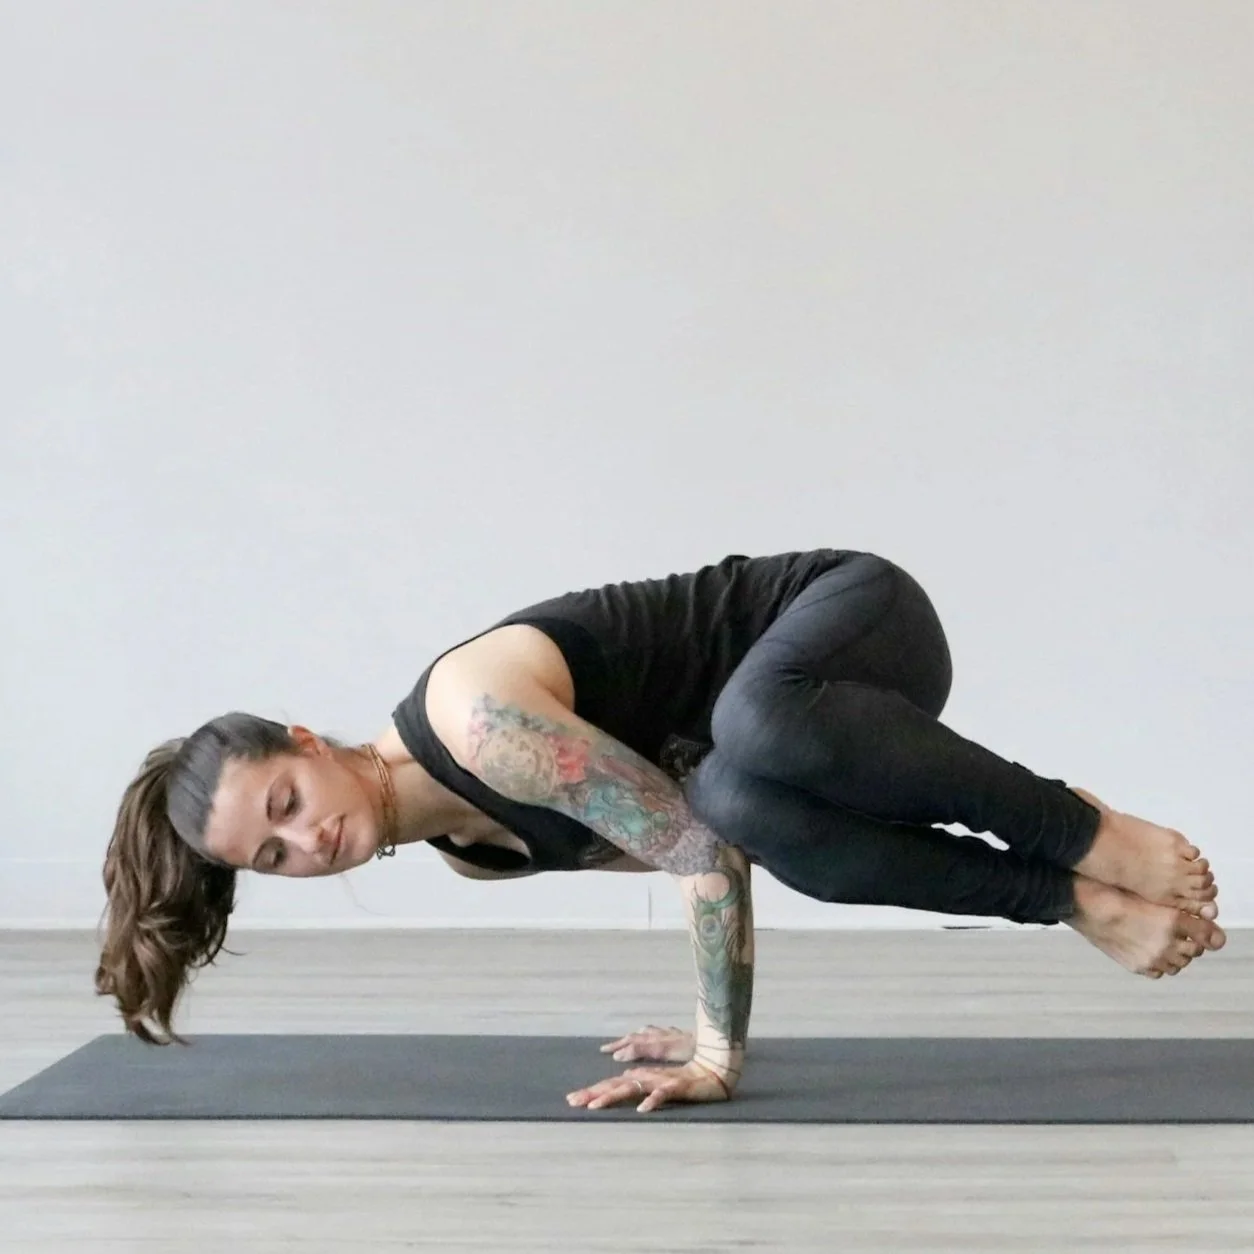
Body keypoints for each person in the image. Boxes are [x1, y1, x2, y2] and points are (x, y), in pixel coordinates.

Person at [96, 548, 1225, 1114]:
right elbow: (711, 848)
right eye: (274, 857)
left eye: (286, 804)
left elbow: (688, 857)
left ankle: (1081, 831)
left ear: (305, 740)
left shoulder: (474, 722)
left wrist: (717, 1056)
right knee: (740, 800)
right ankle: (1070, 898)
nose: (307, 843)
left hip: (853, 624)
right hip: (819, 753)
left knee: (753, 729)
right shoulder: (478, 852)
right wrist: (702, 1030)